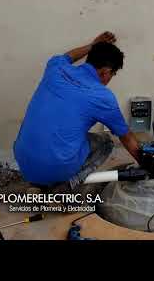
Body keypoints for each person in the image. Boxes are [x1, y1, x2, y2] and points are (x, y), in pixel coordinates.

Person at [13, 32, 140, 191]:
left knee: (65, 138)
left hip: (24, 162)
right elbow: (126, 138)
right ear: (105, 72)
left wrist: (93, 45)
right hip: (56, 168)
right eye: (113, 74)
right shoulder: (102, 97)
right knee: (106, 142)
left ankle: (38, 184)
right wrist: (148, 165)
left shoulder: (56, 68)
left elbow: (68, 56)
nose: (110, 78)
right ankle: (66, 186)